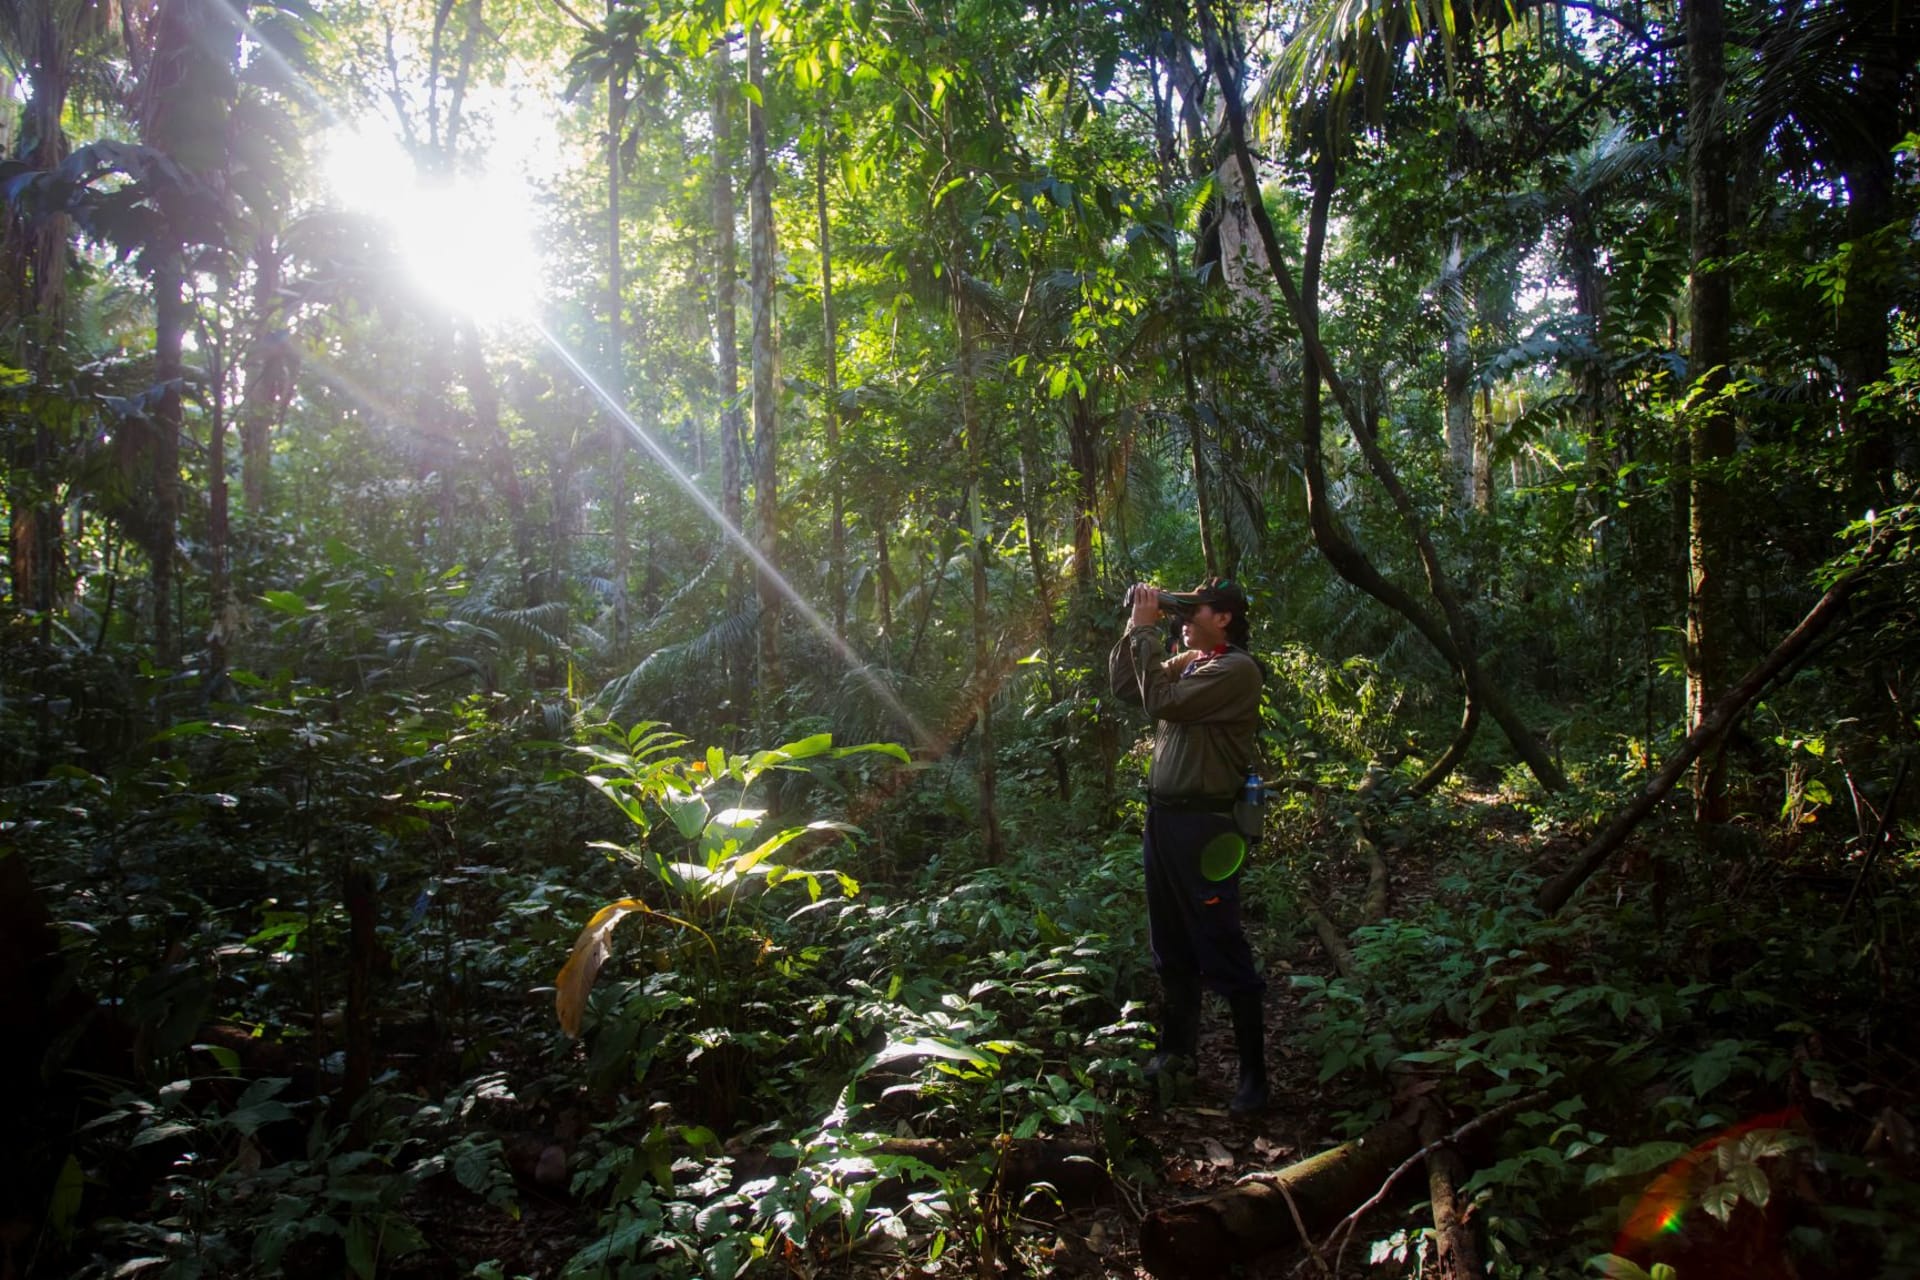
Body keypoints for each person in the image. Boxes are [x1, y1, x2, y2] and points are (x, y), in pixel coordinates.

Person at [1108, 578, 1268, 1114]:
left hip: (1208, 828)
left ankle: (1254, 1075)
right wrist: (1137, 629)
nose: (1182, 617)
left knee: (1220, 942)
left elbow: (1162, 702)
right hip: (1165, 822)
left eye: (1192, 608)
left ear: (1223, 617)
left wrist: (1150, 634)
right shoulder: (1192, 661)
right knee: (1170, 942)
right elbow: (1130, 689)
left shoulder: (1235, 669)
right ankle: (1176, 1054)